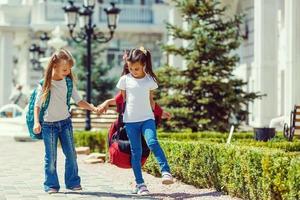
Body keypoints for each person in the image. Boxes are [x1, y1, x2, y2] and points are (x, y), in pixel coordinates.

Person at [99, 47, 174, 195]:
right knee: (136, 153)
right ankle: (140, 184)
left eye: (137, 68)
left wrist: (160, 112)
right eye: (131, 68)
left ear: (144, 65)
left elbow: (151, 101)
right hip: (130, 122)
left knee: (152, 142)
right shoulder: (124, 80)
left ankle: (166, 171)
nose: (133, 71)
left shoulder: (150, 80)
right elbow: (121, 99)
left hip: (147, 119)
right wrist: (107, 103)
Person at [33, 48, 99, 194]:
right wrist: (36, 122)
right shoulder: (45, 83)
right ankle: (51, 185)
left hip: (65, 123)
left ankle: (73, 182)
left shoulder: (68, 83)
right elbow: (37, 106)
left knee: (71, 154)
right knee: (51, 157)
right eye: (64, 69)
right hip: (48, 125)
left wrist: (92, 108)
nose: (67, 72)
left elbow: (79, 100)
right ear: (54, 66)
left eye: (69, 69)